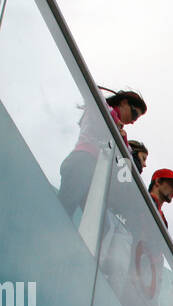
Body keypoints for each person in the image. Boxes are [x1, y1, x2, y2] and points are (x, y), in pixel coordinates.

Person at [59, 89, 146, 219]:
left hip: (93, 173)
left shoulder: (118, 130)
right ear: (123, 103)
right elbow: (95, 92)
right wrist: (115, 120)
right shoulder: (102, 110)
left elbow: (129, 161)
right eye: (134, 115)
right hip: (82, 160)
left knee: (99, 224)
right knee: (63, 210)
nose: (133, 121)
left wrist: (123, 138)